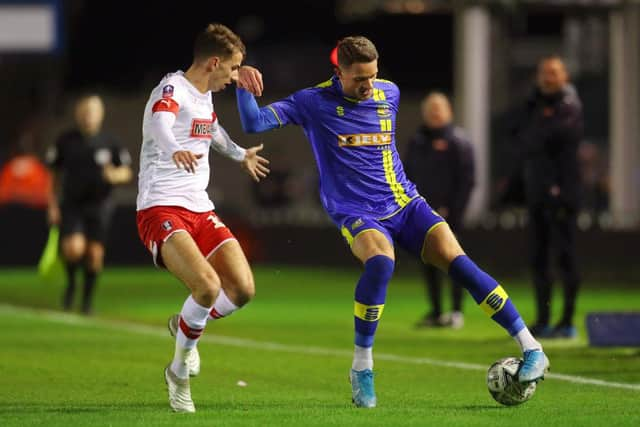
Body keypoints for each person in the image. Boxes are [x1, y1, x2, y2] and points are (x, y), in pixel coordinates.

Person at [234, 35, 549, 408]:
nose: (368, 86)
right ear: (338, 73)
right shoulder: (312, 102)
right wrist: (241, 83)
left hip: (405, 203)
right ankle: (362, 369)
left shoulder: (390, 93)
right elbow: (253, 123)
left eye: (372, 76)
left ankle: (532, 348)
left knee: (459, 263)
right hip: (356, 211)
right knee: (381, 263)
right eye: (358, 79)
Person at [135, 23, 269, 413]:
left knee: (242, 289)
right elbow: (161, 122)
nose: (234, 76)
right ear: (214, 63)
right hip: (160, 207)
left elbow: (211, 131)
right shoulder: (172, 89)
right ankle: (177, 372)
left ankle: (186, 325)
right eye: (232, 68)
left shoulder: (203, 96)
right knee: (208, 287)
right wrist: (175, 148)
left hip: (199, 207)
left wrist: (241, 154)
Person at [507, 55, 584, 339]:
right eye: (544, 73)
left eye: (553, 73)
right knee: (538, 257)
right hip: (537, 191)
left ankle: (567, 321)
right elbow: (516, 134)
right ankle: (543, 319)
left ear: (565, 77)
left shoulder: (570, 105)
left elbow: (544, 138)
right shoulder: (534, 104)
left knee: (565, 256)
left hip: (564, 193)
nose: (548, 78)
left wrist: (534, 133)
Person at [45, 94, 133, 315]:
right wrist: (53, 205)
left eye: (93, 112)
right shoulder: (66, 141)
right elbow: (54, 175)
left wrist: (115, 175)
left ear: (100, 115)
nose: (88, 116)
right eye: (85, 112)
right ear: (78, 114)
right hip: (72, 204)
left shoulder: (110, 142)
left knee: (94, 256)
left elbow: (126, 171)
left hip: (100, 206)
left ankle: (86, 301)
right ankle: (72, 284)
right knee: (74, 249)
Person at [403, 92, 475, 329]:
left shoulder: (458, 141)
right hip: (422, 212)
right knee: (428, 260)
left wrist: (455, 211)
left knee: (455, 261)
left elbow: (466, 180)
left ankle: (456, 311)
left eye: (439, 108)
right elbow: (405, 176)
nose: (434, 113)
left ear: (449, 112)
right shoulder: (417, 142)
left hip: (450, 214)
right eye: (430, 109)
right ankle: (436, 310)